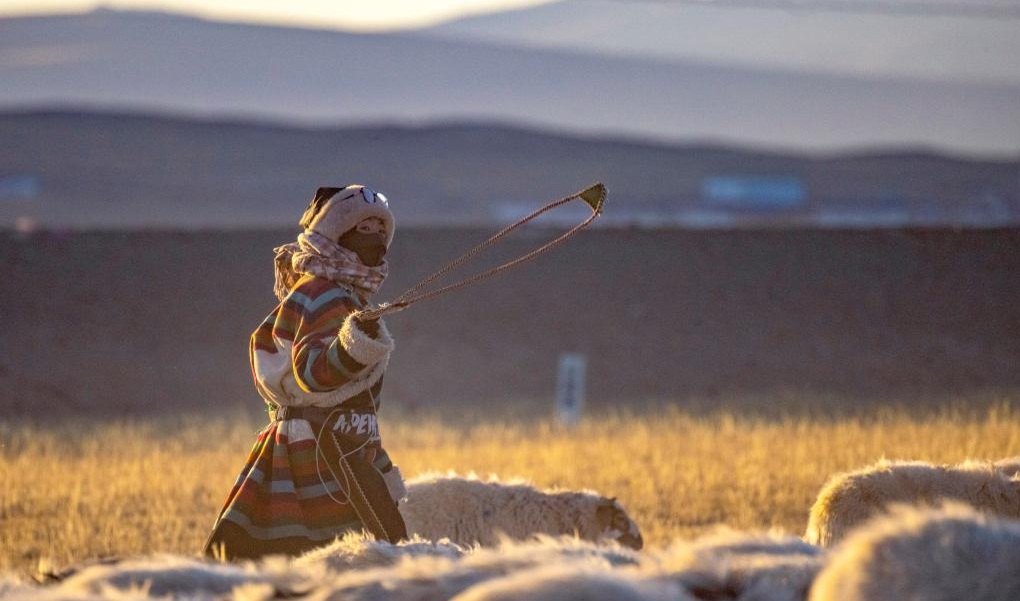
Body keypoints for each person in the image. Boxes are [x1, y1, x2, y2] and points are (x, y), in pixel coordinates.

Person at [203, 185, 407, 560]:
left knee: (372, 558)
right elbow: (311, 374)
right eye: (365, 228)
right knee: (321, 562)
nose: (376, 237)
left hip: (346, 447)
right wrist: (355, 342)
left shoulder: (347, 296)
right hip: (317, 452)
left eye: (382, 230)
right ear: (336, 233)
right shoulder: (320, 292)